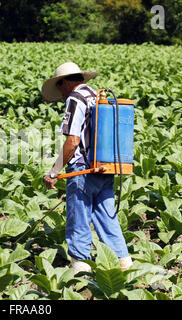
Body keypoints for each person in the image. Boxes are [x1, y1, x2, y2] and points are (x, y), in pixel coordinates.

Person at [41, 62, 133, 274]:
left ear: (64, 82)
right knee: (106, 217)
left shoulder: (75, 99)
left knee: (78, 219)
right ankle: (124, 264)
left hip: (82, 170)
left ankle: (81, 270)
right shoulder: (96, 95)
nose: (60, 94)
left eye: (59, 87)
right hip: (105, 167)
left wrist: (54, 172)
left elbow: (72, 141)